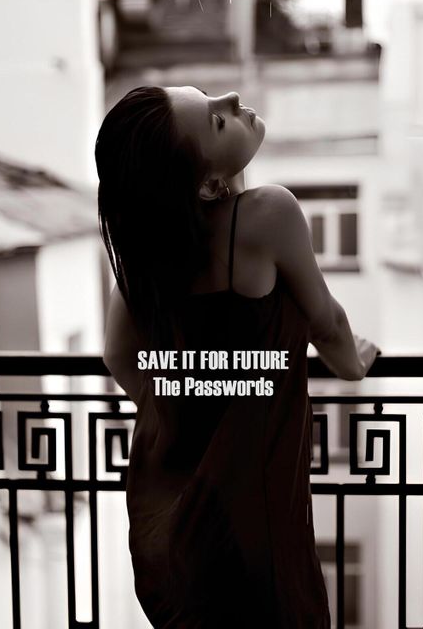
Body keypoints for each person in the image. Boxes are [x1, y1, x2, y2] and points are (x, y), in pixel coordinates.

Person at [96, 85, 380, 628]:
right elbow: (327, 322)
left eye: (210, 97)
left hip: (167, 521)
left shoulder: (149, 253)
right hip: (252, 528)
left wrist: (191, 400)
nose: (231, 98)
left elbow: (118, 356)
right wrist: (353, 365)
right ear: (206, 182)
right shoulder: (269, 213)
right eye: (217, 120)